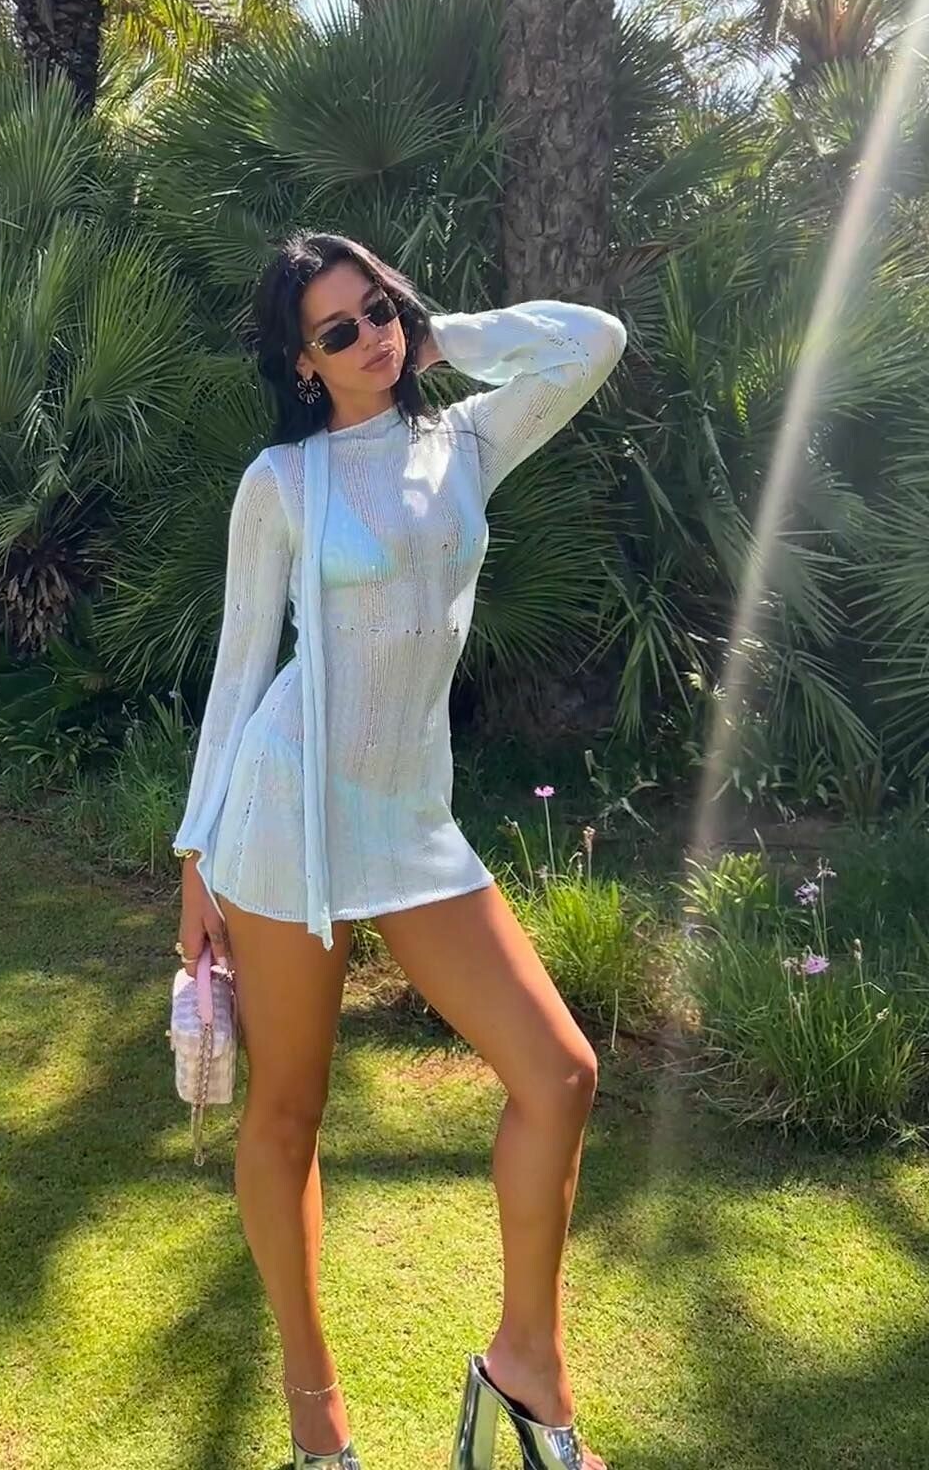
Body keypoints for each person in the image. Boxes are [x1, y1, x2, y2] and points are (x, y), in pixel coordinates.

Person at [170, 232, 628, 1470]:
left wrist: (441, 335)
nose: (370, 338)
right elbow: (238, 672)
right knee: (287, 1110)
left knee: (559, 1074)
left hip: (412, 820)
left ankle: (524, 1369)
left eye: (378, 310)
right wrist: (195, 858)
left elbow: (593, 341)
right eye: (339, 330)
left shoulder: (465, 440)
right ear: (301, 362)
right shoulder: (283, 481)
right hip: (287, 815)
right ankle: (317, 1424)